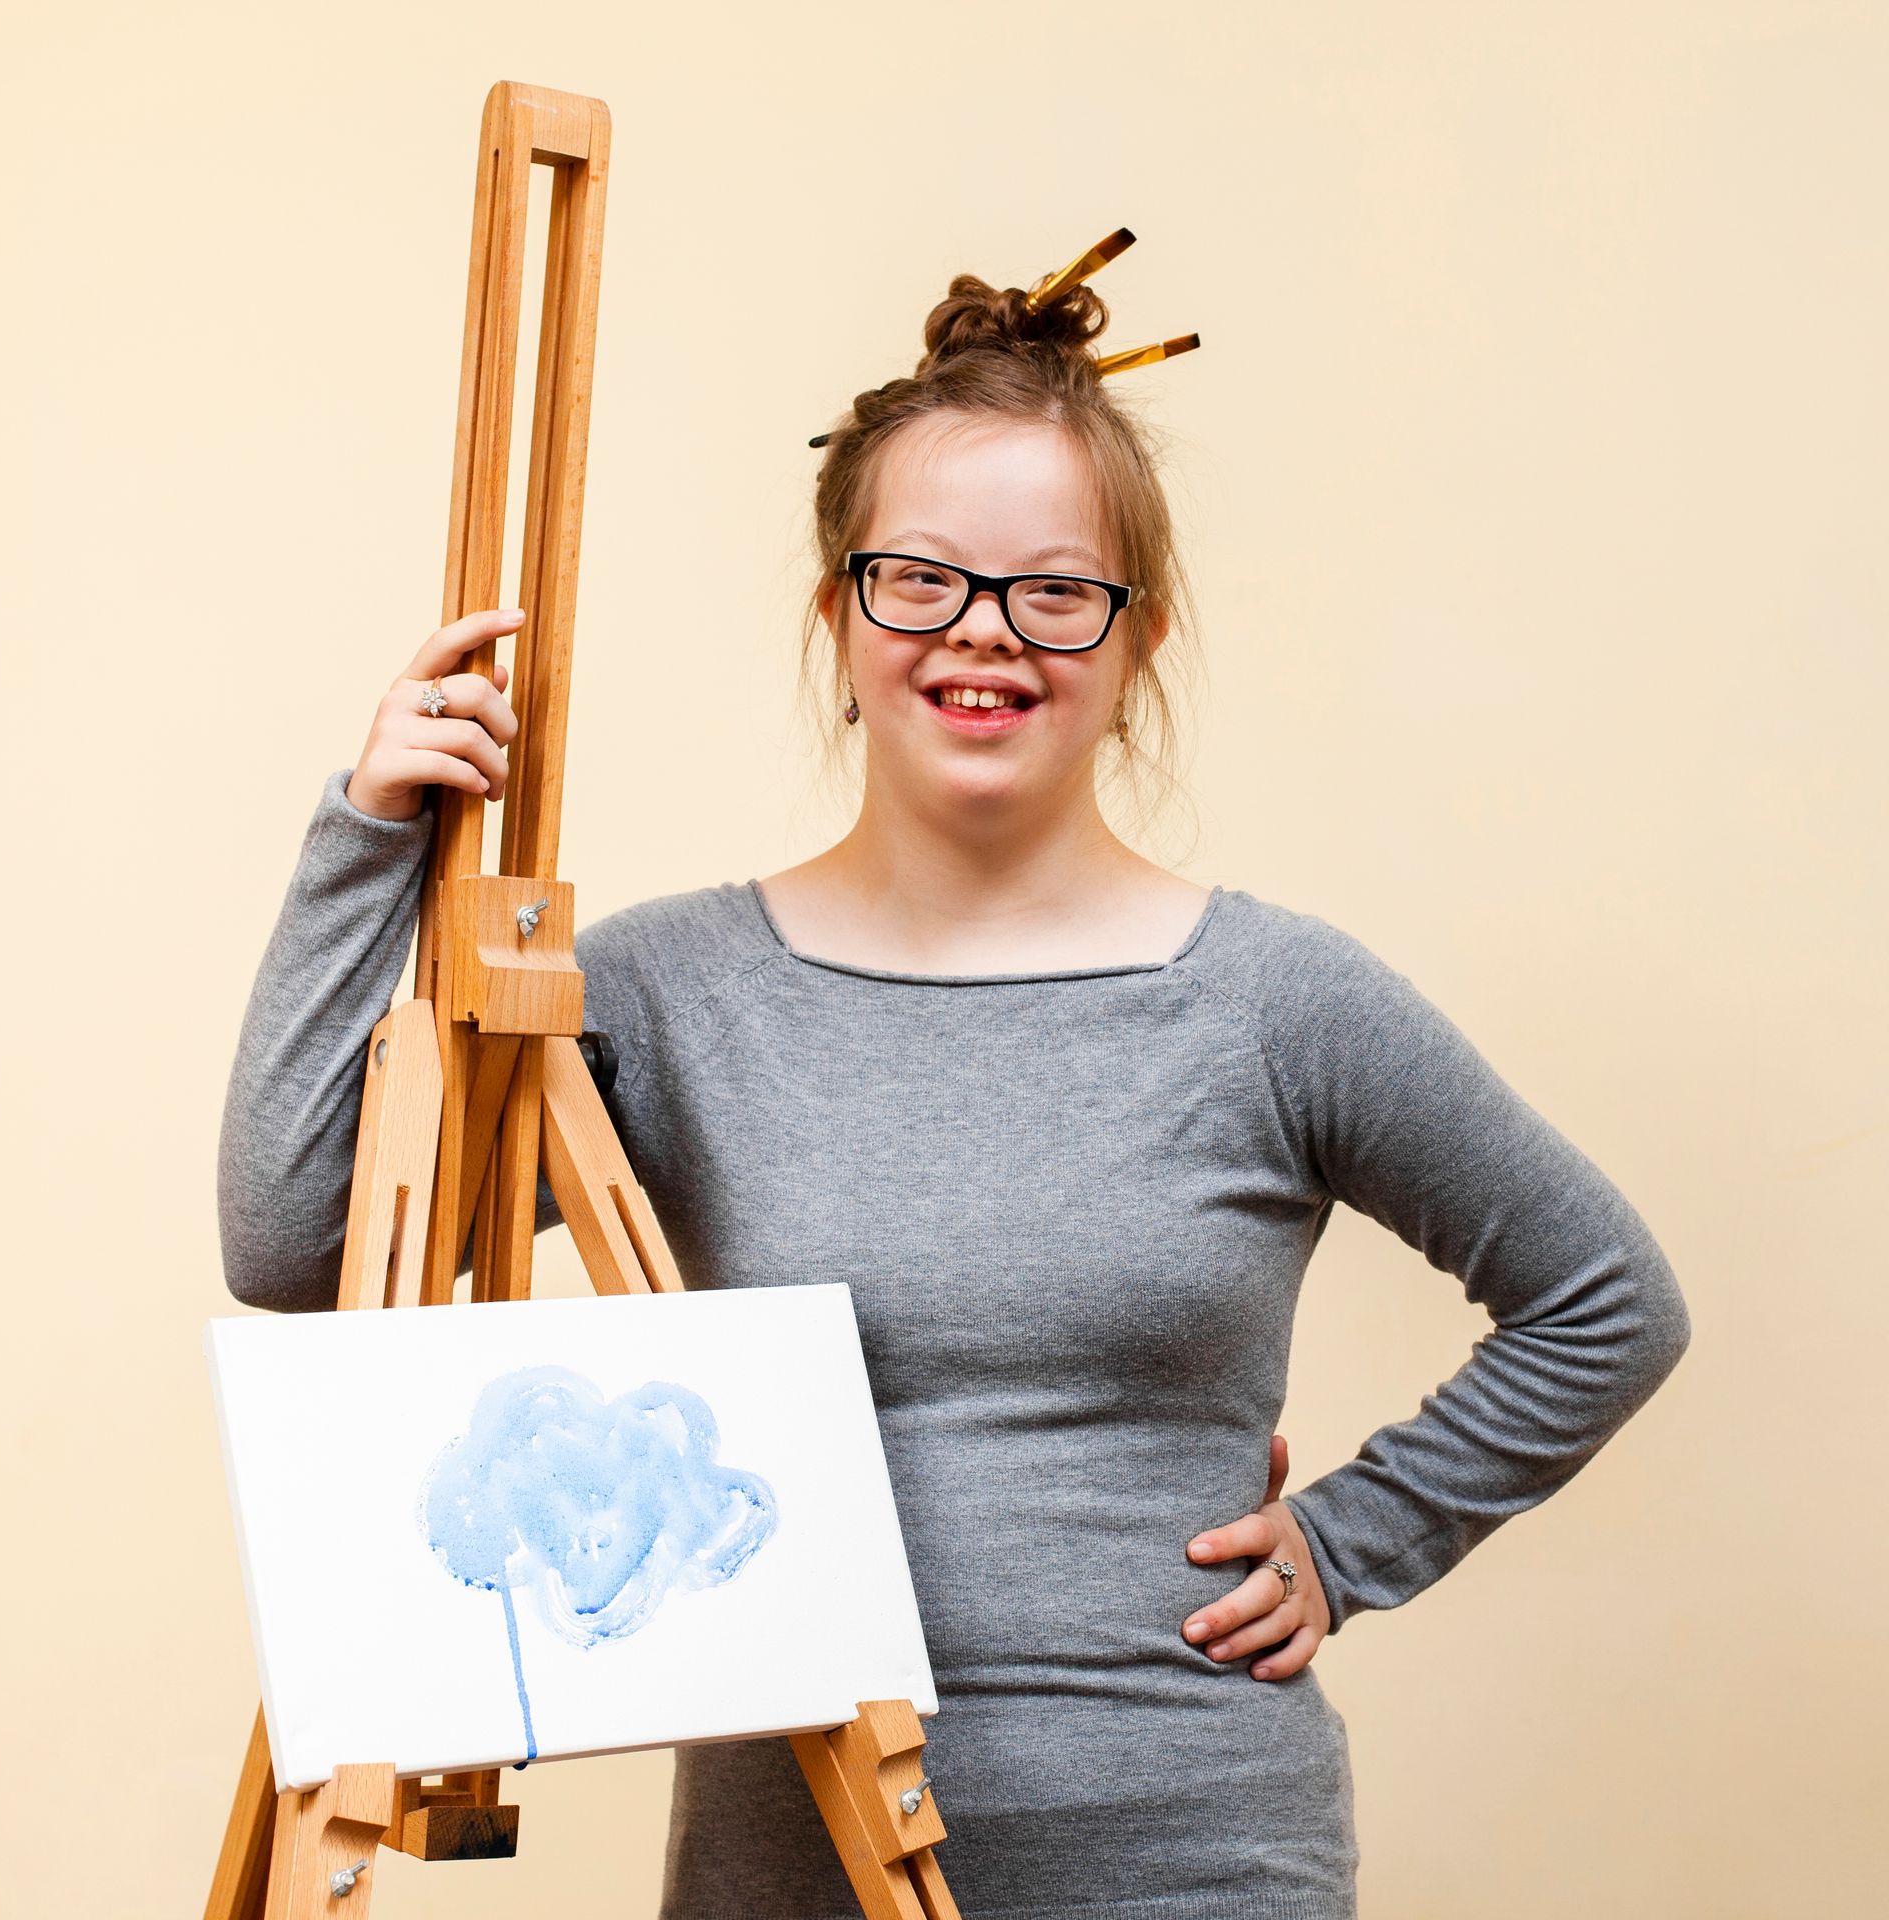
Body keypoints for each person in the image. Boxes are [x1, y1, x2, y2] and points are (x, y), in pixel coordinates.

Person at [218, 271, 1692, 1919]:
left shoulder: (1278, 1002)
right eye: (918, 578)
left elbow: (1606, 1300)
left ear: (1138, 642)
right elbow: (299, 1242)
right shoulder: (664, 992)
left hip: (1200, 1863)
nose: (981, 627)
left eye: (1056, 590)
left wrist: (1350, 1545)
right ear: (840, 620)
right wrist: (367, 835)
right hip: (788, 1878)